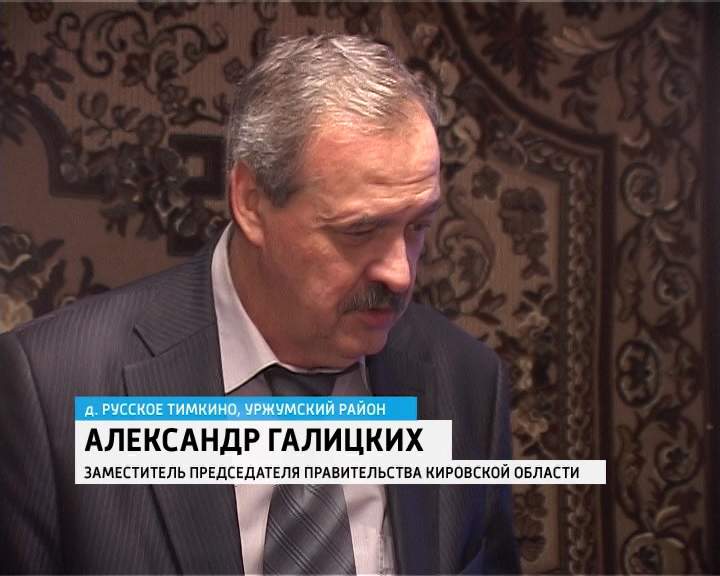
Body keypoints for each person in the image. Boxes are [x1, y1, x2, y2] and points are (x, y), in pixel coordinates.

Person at [0, 34, 519, 574]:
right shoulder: (54, 388)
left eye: (417, 226)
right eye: (360, 230)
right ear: (251, 202)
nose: (400, 272)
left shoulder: (466, 383)